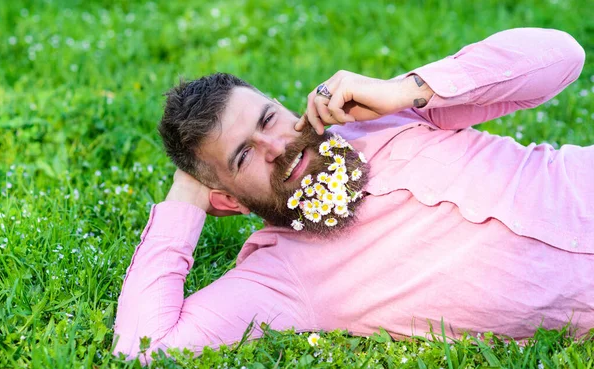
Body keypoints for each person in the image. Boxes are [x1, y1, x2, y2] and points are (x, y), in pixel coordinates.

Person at [113, 28, 593, 360]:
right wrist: (185, 197)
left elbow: (563, 56)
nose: (277, 146)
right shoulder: (277, 277)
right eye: (244, 157)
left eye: (267, 119)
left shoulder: (386, 114)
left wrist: (407, 90)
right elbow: (144, 348)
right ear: (229, 200)